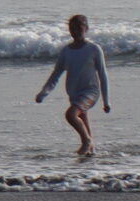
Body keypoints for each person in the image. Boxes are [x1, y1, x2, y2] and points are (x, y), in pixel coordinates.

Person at [35, 13, 111, 156]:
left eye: (79, 28)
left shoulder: (93, 49)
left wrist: (106, 101)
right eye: (72, 29)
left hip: (90, 92)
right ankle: (91, 153)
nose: (75, 32)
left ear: (86, 29)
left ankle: (86, 142)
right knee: (83, 122)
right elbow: (56, 74)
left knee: (71, 115)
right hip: (74, 93)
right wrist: (43, 93)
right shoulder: (66, 51)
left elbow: (103, 74)